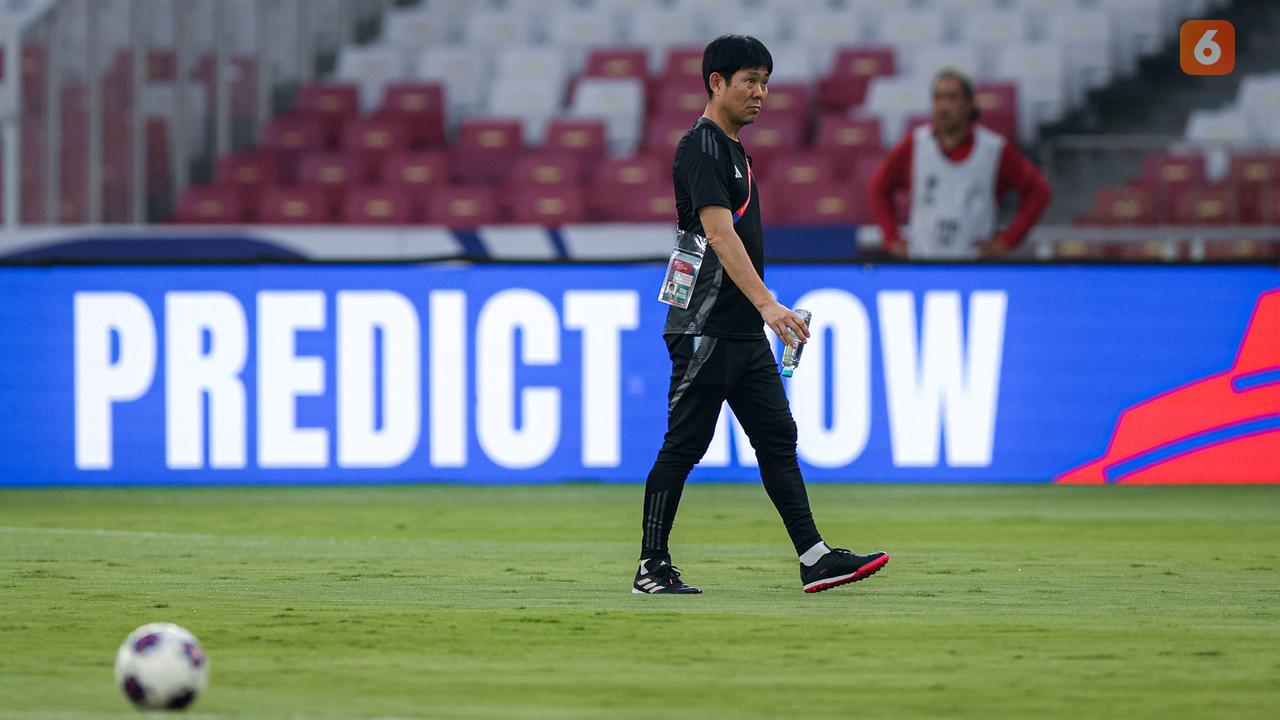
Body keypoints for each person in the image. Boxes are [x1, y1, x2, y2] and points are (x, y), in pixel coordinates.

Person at [633, 35, 888, 595]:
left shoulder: (735, 151)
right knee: (684, 447)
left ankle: (814, 556)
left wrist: (761, 312)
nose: (761, 92)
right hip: (704, 328)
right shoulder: (699, 147)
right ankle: (651, 567)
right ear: (715, 83)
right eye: (748, 80)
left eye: (766, 81)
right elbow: (720, 235)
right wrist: (769, 304)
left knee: (777, 437)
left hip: (739, 328)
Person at [868, 68, 1052, 260]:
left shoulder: (994, 149)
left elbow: (1039, 190)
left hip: (974, 266)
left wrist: (1007, 240)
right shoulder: (914, 145)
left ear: (969, 103)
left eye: (951, 97)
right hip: (923, 263)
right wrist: (891, 237)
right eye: (937, 97)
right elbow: (878, 187)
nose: (943, 106)